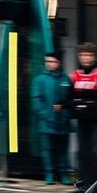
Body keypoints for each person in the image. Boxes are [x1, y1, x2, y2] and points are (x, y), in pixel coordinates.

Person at [69, 43, 97, 192]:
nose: (85, 58)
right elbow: (70, 96)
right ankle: (83, 185)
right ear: (79, 57)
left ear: (94, 57)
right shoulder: (74, 74)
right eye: (83, 55)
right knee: (81, 152)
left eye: (88, 55)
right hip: (81, 119)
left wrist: (84, 98)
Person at [32, 52, 73, 184]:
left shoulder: (66, 79)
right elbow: (36, 100)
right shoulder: (40, 80)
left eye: (53, 61)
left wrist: (66, 115)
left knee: (63, 150)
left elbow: (70, 99)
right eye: (48, 61)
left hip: (63, 122)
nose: (50, 64)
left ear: (59, 62)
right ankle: (49, 175)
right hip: (47, 122)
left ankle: (64, 175)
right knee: (47, 150)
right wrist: (46, 115)